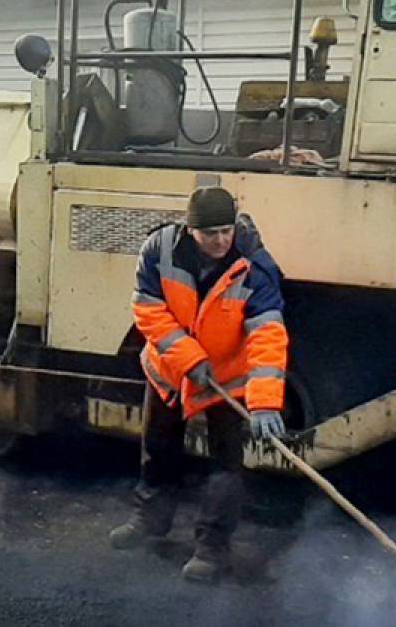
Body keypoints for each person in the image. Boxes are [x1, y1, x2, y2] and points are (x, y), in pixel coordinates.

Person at [109, 186, 289, 583]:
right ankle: (149, 522)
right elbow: (148, 310)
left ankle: (212, 547)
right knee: (158, 448)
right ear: (191, 231)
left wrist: (263, 402)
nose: (221, 241)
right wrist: (189, 359)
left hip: (226, 379)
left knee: (225, 468)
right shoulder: (159, 249)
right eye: (211, 234)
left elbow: (268, 335)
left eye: (226, 231)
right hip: (170, 371)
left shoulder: (255, 266)